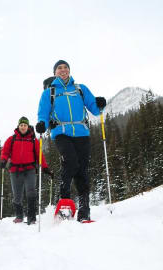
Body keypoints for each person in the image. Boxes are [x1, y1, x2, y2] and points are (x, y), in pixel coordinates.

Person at [36, 60, 106, 222]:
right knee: (71, 162)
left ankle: (84, 211)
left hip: (82, 133)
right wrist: (41, 124)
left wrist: (100, 104)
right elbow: (43, 113)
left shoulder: (80, 89)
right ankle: (64, 203)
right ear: (55, 72)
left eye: (65, 67)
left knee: (82, 170)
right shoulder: (49, 92)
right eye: (59, 68)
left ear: (69, 70)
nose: (63, 70)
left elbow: (94, 109)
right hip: (61, 133)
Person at [0, 117, 53, 225]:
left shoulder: (33, 140)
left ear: (28, 127)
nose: (23, 127)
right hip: (15, 170)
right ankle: (19, 216)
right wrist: (3, 160)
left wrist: (45, 167)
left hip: (30, 170)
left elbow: (39, 155)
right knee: (17, 195)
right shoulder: (12, 139)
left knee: (31, 192)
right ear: (18, 126)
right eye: (21, 125)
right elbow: (5, 151)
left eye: (25, 125)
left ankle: (31, 217)